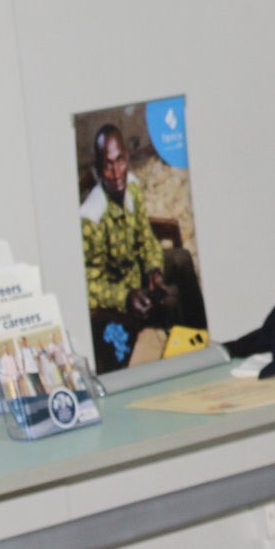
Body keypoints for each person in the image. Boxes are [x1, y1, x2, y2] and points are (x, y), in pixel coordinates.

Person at [79, 122, 206, 370]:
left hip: (138, 274)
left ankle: (202, 335)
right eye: (108, 164)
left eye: (120, 161)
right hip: (121, 295)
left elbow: (146, 238)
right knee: (171, 302)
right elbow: (89, 285)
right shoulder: (91, 219)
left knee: (180, 258)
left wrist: (154, 270)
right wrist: (125, 297)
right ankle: (182, 357)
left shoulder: (132, 189)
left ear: (127, 158)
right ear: (98, 169)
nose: (116, 173)